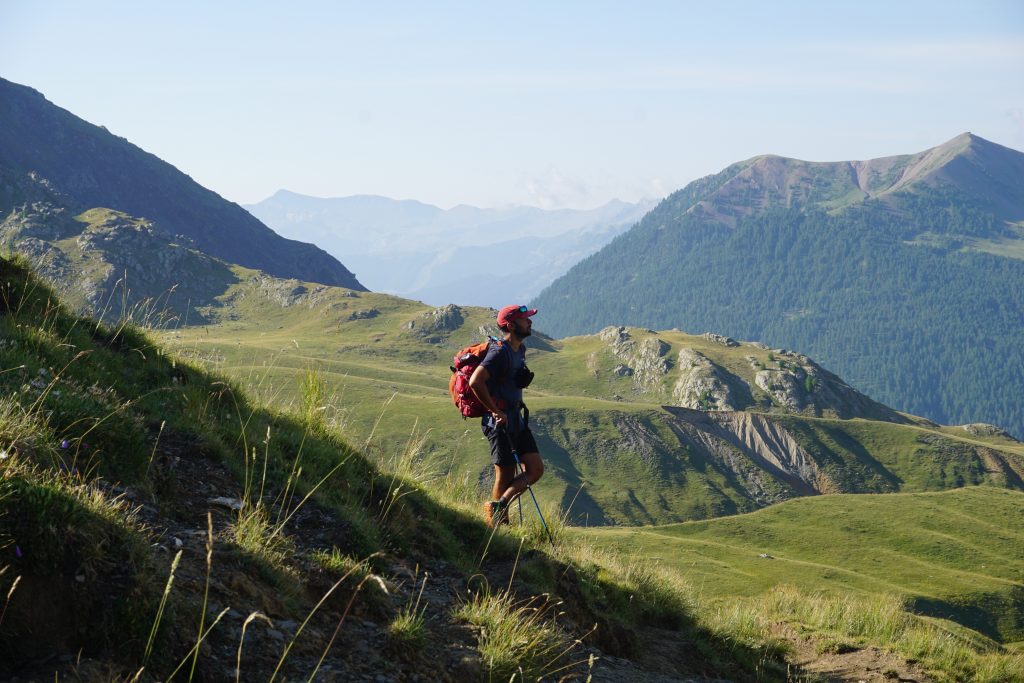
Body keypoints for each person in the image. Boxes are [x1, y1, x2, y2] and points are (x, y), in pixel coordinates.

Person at [469, 304, 544, 527]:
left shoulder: (519, 350)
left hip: (516, 419)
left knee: (536, 469)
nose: (530, 322)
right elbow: (475, 381)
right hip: (498, 422)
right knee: (505, 474)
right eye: (525, 319)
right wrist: (495, 411)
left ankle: (499, 506)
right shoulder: (499, 352)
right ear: (511, 325)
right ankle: (497, 524)